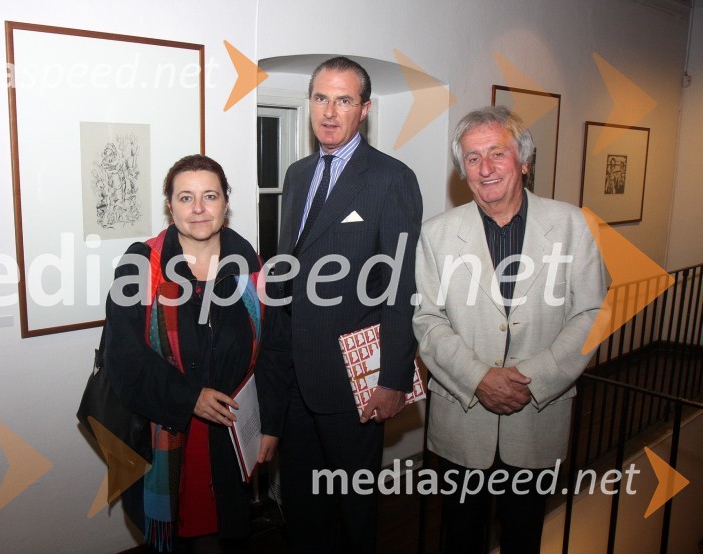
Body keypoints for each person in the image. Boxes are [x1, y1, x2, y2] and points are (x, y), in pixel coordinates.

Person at [412, 106, 607, 552]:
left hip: (537, 414)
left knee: (524, 537)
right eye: (473, 158)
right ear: (463, 171)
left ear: (524, 160)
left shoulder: (573, 225)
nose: (485, 168)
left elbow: (592, 314)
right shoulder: (437, 235)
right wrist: (480, 377)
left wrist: (528, 380)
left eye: (497, 154)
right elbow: (426, 318)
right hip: (463, 419)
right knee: (460, 537)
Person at [103, 154, 293, 552]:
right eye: (185, 198)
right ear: (169, 205)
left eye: (210, 196)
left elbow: (275, 348)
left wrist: (272, 424)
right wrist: (190, 397)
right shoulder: (142, 263)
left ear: (226, 202)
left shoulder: (252, 266)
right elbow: (123, 356)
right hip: (167, 431)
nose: (199, 209)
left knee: (224, 535)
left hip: (233, 433)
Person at [274, 56, 423, 553]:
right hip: (294, 375)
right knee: (302, 504)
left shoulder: (390, 178)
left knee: (353, 510)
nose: (330, 112)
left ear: (365, 109)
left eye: (343, 100)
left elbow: (400, 286)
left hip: (352, 381)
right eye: (321, 98)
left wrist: (394, 379)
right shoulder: (296, 175)